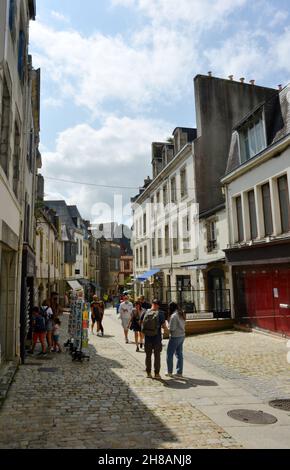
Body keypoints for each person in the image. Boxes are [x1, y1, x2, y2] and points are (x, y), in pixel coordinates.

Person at [141, 299, 166, 379]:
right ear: (158, 305)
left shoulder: (146, 312)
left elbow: (141, 322)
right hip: (157, 338)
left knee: (148, 355)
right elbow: (164, 326)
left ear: (152, 304)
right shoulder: (161, 313)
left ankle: (148, 373)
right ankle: (157, 374)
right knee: (157, 356)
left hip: (147, 337)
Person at [166, 302, 186, 378]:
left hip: (175, 336)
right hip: (182, 335)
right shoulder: (181, 313)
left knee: (169, 354)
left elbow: (172, 328)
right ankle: (179, 372)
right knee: (179, 354)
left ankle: (169, 372)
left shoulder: (174, 316)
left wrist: (167, 326)